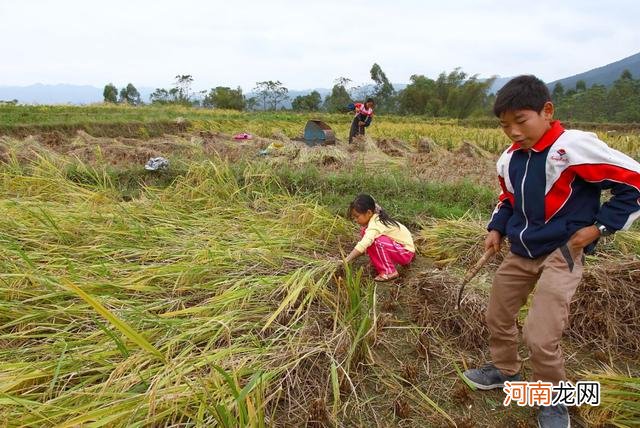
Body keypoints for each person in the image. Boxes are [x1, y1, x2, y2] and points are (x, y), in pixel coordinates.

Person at [461, 75, 640, 428]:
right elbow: (508, 199)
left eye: (520, 120)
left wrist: (598, 228)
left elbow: (633, 182)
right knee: (498, 313)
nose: (512, 131)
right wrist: (496, 228)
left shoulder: (571, 148)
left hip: (563, 251)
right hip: (522, 248)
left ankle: (553, 399)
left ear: (547, 111)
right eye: (504, 125)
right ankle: (504, 370)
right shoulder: (510, 159)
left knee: (540, 335)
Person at [343, 193, 415, 281]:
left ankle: (389, 271)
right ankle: (380, 263)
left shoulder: (376, 224)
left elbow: (364, 244)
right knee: (365, 233)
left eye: (357, 216)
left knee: (376, 241)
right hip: (399, 249)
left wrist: (346, 260)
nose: (355, 220)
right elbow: (365, 247)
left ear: (369, 213)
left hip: (405, 252)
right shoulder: (375, 220)